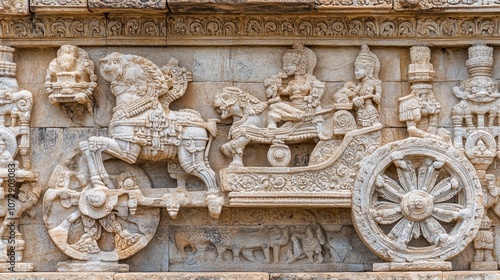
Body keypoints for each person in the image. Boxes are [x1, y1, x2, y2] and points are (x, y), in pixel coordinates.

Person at [266, 43, 325, 134]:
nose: (284, 68)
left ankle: (298, 116)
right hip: (293, 106)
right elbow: (285, 92)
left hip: (304, 107)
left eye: (288, 65)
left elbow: (320, 88)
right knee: (274, 106)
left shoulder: (309, 79)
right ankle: (295, 116)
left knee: (275, 107)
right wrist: (278, 85)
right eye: (284, 65)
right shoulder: (292, 81)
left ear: (299, 65)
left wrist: (314, 103)